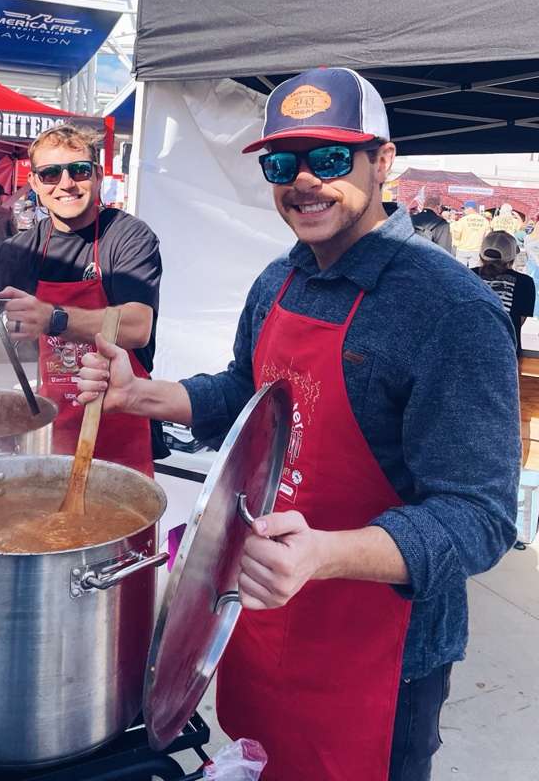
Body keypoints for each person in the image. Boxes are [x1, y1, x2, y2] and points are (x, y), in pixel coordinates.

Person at [77, 67, 520, 781]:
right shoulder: (280, 279)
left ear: (383, 161)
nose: (304, 180)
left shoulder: (452, 313)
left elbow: (481, 517)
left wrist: (323, 556)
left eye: (332, 158)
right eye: (283, 163)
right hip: (257, 611)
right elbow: (244, 395)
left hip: (380, 653)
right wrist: (142, 395)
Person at [0, 124, 162, 475]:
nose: (65, 184)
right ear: (34, 183)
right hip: (55, 430)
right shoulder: (20, 251)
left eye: (78, 170)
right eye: (50, 173)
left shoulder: (127, 236)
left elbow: (137, 326)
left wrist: (54, 318)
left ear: (96, 176)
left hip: (121, 427)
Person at [472, 231, 535, 355]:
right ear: (512, 257)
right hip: (506, 353)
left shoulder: (466, 275)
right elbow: (519, 321)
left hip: (468, 349)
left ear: (481, 254)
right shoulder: (525, 282)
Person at [452, 199, 490, 266]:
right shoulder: (485, 221)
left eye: (464, 208)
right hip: (477, 250)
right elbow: (487, 237)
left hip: (462, 249)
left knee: (461, 271)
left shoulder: (462, 220)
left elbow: (457, 235)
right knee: (474, 272)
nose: (463, 210)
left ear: (470, 208)